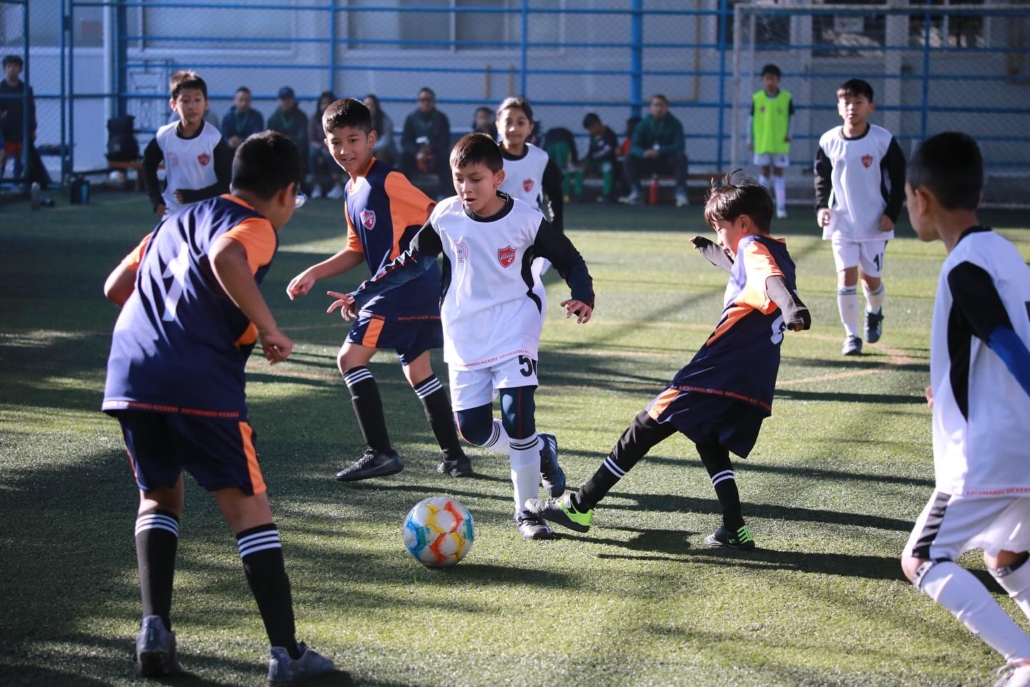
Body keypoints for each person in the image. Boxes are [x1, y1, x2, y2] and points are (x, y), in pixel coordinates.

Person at [100, 131, 336, 683]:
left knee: (158, 496)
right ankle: (287, 656)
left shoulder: (173, 220)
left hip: (132, 371)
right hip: (198, 379)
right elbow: (227, 254)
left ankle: (154, 628)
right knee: (249, 510)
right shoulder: (253, 227)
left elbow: (117, 285)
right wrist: (270, 327)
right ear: (288, 193)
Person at [326, 133, 595, 540]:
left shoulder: (525, 220)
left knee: (518, 416)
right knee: (471, 429)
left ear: (498, 178)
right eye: (458, 179)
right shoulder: (446, 216)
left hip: (514, 323)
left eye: (475, 179)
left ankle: (527, 514)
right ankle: (542, 450)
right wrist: (361, 293)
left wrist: (583, 295)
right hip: (465, 331)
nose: (466, 188)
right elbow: (408, 262)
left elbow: (569, 259)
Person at [527, 174, 811, 550]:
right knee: (707, 437)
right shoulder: (775, 249)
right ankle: (734, 528)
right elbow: (746, 270)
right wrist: (711, 249)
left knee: (646, 423)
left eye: (721, 227)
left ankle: (581, 505)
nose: (721, 236)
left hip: (719, 367)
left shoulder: (756, 250)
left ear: (743, 224)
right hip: (751, 376)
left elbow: (771, 281)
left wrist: (794, 308)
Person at [900, 131, 1030, 687]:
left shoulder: (964, 265)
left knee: (922, 560)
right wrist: (950, 386)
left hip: (988, 452)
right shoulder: (1005, 252)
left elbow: (1004, 339)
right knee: (1007, 557)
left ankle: (1026, 662)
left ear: (921, 199)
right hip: (1020, 443)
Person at [285, 98, 471, 480]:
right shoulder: (353, 190)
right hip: (416, 290)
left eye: (353, 139)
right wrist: (315, 272)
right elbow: (357, 249)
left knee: (349, 360)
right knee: (418, 371)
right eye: (335, 142)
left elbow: (436, 213)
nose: (344, 150)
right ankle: (455, 457)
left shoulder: (387, 180)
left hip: (401, 288)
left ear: (372, 138)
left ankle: (381, 453)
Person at [814, 78, 906, 356]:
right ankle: (851, 336)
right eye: (846, 103)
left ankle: (874, 311)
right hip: (842, 222)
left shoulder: (882, 140)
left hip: (874, 222)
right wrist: (821, 207)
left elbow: (899, 179)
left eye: (858, 102)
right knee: (846, 277)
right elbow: (821, 178)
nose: (852, 108)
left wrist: (891, 214)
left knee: (871, 280)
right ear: (838, 107)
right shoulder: (829, 141)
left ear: (871, 106)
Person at [143, 70, 232, 217]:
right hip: (173, 210)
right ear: (173, 104)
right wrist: (156, 199)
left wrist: (192, 196)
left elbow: (225, 183)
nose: (192, 106)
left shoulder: (214, 139)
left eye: (197, 100)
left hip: (208, 211)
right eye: (185, 100)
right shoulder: (164, 136)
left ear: (206, 103)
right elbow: (147, 165)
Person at [619, 94, 689, 207]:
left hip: (667, 162)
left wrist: (661, 151)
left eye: (661, 105)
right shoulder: (643, 124)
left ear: (666, 108)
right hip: (648, 161)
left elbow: (679, 146)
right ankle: (636, 192)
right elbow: (634, 146)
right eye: (655, 105)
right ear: (651, 108)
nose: (658, 108)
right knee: (629, 158)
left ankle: (680, 193)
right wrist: (644, 153)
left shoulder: (675, 124)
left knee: (681, 158)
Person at [748, 64, 794, 219]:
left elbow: (791, 118)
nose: (770, 82)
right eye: (767, 79)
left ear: (778, 80)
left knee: (779, 174)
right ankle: (762, 207)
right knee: (764, 173)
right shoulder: (757, 98)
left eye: (773, 79)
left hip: (780, 144)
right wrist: (750, 139)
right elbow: (750, 120)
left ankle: (781, 207)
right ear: (762, 80)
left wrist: (790, 134)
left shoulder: (786, 98)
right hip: (763, 143)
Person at [399, 87, 451, 197]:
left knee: (446, 157)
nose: (426, 103)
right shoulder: (411, 118)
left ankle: (442, 195)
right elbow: (405, 141)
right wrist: (417, 153)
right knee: (403, 157)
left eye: (429, 100)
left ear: (433, 102)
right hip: (416, 156)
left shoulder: (441, 118)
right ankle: (403, 193)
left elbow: (444, 141)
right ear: (418, 102)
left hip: (435, 155)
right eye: (423, 100)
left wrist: (430, 149)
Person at [0, 54, 35, 180]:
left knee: (20, 157)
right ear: (4, 69)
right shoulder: (1, 88)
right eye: (9, 66)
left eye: (15, 66)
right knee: (2, 155)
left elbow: (31, 110)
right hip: (3, 130)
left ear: (20, 69)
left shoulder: (26, 89)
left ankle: (18, 182)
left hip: (21, 129)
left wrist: (32, 129)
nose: (12, 69)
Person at [307, 90, 344, 200]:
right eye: (322, 103)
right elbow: (311, 139)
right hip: (319, 147)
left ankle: (338, 186)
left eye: (328, 103)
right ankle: (316, 186)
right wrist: (320, 147)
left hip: (335, 147)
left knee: (330, 154)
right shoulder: (314, 119)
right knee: (312, 154)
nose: (325, 106)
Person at [268, 86, 309, 182]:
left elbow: (303, 138)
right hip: (279, 150)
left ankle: (299, 184)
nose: (286, 102)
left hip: (296, 149)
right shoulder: (273, 118)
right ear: (278, 101)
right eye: (283, 99)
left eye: (288, 99)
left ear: (293, 100)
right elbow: (271, 138)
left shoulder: (301, 116)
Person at [580, 112, 619, 203]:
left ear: (598, 123)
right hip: (594, 163)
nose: (591, 131)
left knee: (607, 167)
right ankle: (578, 194)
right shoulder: (593, 136)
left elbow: (607, 152)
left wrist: (590, 159)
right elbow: (591, 152)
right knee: (579, 168)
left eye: (592, 127)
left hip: (606, 162)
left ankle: (607, 194)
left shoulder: (610, 134)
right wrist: (584, 161)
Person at [221, 86, 265, 150]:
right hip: (231, 151)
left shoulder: (257, 117)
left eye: (247, 100)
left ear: (250, 101)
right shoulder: (228, 117)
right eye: (241, 100)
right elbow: (223, 136)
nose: (244, 103)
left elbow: (258, 136)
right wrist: (229, 141)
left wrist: (241, 141)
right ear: (235, 100)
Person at [364, 93, 397, 165]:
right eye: (367, 105)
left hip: (385, 151)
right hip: (366, 151)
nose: (369, 108)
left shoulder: (385, 120)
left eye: (372, 105)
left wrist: (368, 149)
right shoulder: (358, 122)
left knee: (381, 154)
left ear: (376, 107)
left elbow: (385, 142)